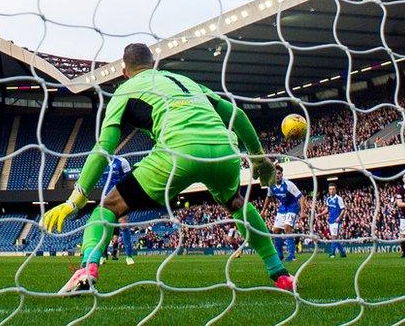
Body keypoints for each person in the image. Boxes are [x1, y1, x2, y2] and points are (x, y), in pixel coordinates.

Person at [43, 43, 293, 294]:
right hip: (224, 149)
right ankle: (280, 273)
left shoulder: (125, 90)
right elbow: (236, 115)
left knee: (110, 206)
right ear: (154, 65)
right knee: (236, 203)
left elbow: (104, 146)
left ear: (123, 70)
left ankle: (88, 269)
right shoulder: (185, 81)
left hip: (178, 151)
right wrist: (259, 160)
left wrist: (76, 199)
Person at [262, 165, 306, 262]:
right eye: (275, 173)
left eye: (279, 173)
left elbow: (301, 197)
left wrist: (302, 212)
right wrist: (263, 210)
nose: (277, 175)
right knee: (276, 230)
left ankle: (291, 255)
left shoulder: (288, 184)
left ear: (282, 174)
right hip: (283, 207)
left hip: (293, 206)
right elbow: (268, 197)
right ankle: (280, 255)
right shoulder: (271, 185)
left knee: (287, 228)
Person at [99, 156, 135, 265]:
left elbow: (129, 179)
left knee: (123, 224)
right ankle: (103, 256)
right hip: (106, 198)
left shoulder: (122, 161)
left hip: (121, 196)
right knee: (104, 226)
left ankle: (129, 256)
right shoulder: (100, 162)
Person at [317, 183, 347, 258]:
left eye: (333, 189)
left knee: (334, 237)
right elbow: (327, 209)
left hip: (336, 221)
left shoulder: (338, 198)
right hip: (330, 220)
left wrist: (339, 218)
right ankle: (342, 253)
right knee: (335, 238)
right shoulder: (328, 199)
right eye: (330, 189)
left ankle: (332, 253)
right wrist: (320, 214)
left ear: (335, 190)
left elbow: (343, 209)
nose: (331, 190)